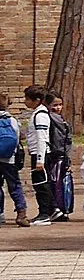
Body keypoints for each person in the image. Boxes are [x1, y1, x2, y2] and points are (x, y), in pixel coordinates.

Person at [24, 87, 56, 224]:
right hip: (38, 154)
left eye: (27, 99)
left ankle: (44, 214)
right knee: (41, 183)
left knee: (41, 184)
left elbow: (42, 138)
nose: (25, 102)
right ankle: (50, 210)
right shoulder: (38, 114)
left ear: (37, 100)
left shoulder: (41, 115)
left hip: (40, 155)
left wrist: (39, 160)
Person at [46, 94, 74, 221]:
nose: (58, 108)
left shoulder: (57, 119)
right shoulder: (54, 119)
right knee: (59, 184)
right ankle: (62, 209)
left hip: (58, 155)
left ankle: (59, 209)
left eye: (60, 105)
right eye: (55, 105)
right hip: (59, 155)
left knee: (57, 184)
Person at [0, 97, 26, 226]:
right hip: (9, 159)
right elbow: (16, 139)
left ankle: (0, 214)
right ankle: (21, 213)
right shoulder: (12, 120)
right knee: (15, 185)